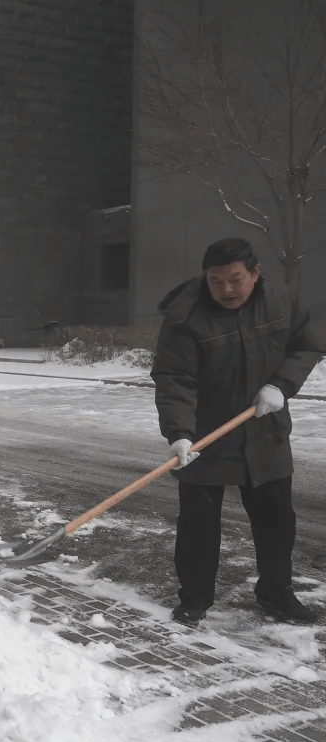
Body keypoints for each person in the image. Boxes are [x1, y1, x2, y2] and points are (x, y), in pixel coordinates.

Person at [152, 237, 324, 627]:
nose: (226, 290)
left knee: (277, 522)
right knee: (199, 523)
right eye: (216, 281)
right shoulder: (186, 317)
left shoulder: (283, 302)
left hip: (265, 429)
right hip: (205, 435)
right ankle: (194, 598)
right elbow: (174, 378)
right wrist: (179, 433)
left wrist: (281, 385)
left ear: (256, 273)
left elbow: (306, 346)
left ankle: (276, 593)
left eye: (235, 279)